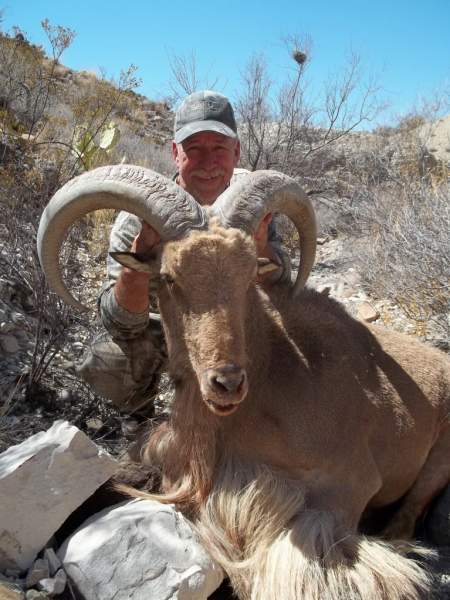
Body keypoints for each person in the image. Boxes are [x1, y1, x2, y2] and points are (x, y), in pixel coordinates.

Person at [77, 91, 291, 415]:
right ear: (175, 152)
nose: (208, 163)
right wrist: (139, 263)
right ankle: (139, 415)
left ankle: (258, 424)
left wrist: (258, 247)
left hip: (237, 327)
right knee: (107, 362)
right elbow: (120, 323)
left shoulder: (253, 203)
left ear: (237, 151)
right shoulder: (141, 214)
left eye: (219, 148)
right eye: (194, 149)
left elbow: (283, 291)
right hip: (164, 332)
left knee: (294, 354)